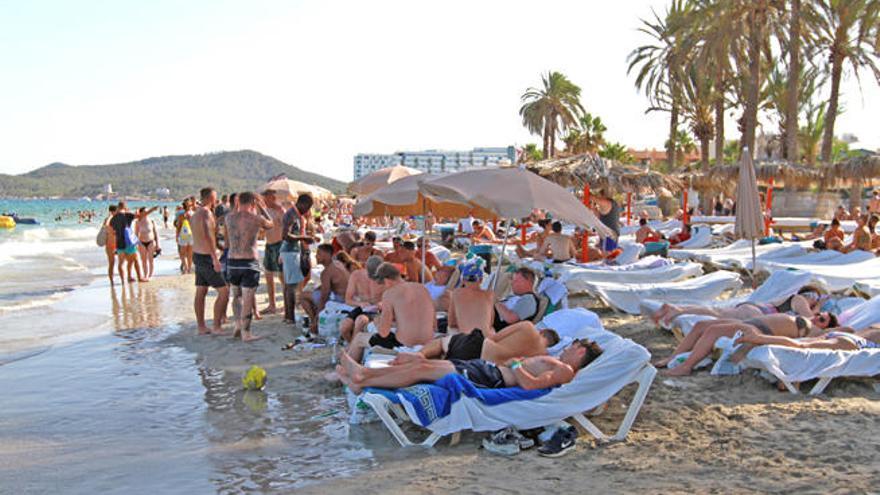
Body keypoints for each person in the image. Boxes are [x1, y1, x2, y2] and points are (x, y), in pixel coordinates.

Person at [336, 338, 603, 394]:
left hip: (491, 378)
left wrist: (517, 364)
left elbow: (531, 384)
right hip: (486, 370)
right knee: (423, 364)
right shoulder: (558, 364)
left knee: (421, 370)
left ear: (580, 351)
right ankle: (365, 376)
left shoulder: (566, 371)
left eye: (572, 346)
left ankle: (363, 376)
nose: (566, 348)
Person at [656, 312, 839, 376]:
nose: (817, 317)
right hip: (753, 323)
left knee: (712, 331)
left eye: (822, 319)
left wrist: (826, 328)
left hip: (759, 331)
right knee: (701, 325)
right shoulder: (808, 315)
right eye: (819, 314)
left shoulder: (816, 331)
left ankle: (686, 366)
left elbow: (846, 330)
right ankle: (672, 357)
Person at [347, 263, 435, 362]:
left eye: (382, 285)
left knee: (359, 338)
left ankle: (347, 370)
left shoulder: (390, 293)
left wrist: (378, 322)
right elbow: (434, 324)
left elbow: (383, 333)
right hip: (428, 344)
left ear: (387, 281)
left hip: (405, 347)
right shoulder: (422, 288)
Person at [224, 192, 274, 342]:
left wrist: (239, 204)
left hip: (232, 260)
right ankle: (246, 333)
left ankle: (237, 325)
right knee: (247, 298)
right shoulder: (256, 218)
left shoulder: (229, 218)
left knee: (236, 295)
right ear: (253, 202)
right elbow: (271, 224)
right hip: (250, 261)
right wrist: (262, 208)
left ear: (239, 201)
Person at [402, 320, 559, 365]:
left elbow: (494, 338)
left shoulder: (528, 328)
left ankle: (419, 354)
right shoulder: (542, 356)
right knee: (448, 356)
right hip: (481, 367)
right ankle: (425, 361)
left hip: (480, 348)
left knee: (443, 341)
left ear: (542, 332)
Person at [652, 286, 825, 326]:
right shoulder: (800, 299)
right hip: (758, 312)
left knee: (717, 312)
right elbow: (809, 319)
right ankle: (678, 310)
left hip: (756, 308)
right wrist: (818, 308)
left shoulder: (791, 298)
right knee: (718, 315)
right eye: (814, 299)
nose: (814, 301)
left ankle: (678, 309)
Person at [191, 187, 229, 336]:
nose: (216, 200)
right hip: (207, 257)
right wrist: (215, 258)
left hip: (198, 255)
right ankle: (216, 326)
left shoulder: (196, 213)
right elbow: (207, 235)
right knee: (224, 291)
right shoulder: (206, 213)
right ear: (209, 198)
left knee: (201, 290)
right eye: (215, 197)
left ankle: (201, 326)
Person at [280, 193, 316, 325]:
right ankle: (290, 317)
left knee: (289, 285)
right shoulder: (291, 214)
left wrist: (305, 236)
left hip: (292, 251)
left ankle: (288, 315)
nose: (309, 210)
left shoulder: (296, 215)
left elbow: (293, 233)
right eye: (309, 207)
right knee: (291, 286)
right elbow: (285, 235)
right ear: (303, 204)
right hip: (290, 251)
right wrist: (304, 238)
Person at [300, 243, 350, 336]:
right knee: (312, 291)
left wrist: (316, 320)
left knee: (303, 296)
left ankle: (314, 323)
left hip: (339, 300)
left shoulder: (326, 272)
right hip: (345, 296)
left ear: (326, 255)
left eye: (318, 253)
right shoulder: (337, 263)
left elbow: (324, 298)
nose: (316, 256)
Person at [339, 255, 385, 342]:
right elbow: (348, 299)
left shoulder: (386, 278)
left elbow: (394, 298)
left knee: (361, 321)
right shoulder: (356, 275)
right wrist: (360, 303)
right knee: (344, 327)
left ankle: (352, 349)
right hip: (363, 307)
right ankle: (352, 346)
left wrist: (382, 303)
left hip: (378, 309)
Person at [734, 326, 880, 352]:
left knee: (800, 342)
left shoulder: (874, 326)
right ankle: (758, 338)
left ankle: (761, 339)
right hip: (853, 344)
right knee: (801, 347)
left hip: (847, 336)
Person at [111, 201, 156, 283]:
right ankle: (139, 278)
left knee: (121, 263)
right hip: (128, 242)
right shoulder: (127, 215)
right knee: (135, 259)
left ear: (118, 207)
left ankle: (123, 281)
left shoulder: (113, 218)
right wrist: (151, 210)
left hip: (119, 243)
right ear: (125, 207)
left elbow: (113, 232)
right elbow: (140, 216)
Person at [446, 261, 494, 335]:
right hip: (485, 339)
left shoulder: (456, 293)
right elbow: (490, 323)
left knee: (450, 330)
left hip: (467, 340)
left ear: (463, 280)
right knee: (491, 329)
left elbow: (451, 323)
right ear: (481, 280)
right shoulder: (489, 294)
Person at [261, 190, 287, 315]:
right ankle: (272, 304)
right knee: (268, 275)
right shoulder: (266, 211)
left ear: (273, 198)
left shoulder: (281, 211)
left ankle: (287, 303)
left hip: (279, 244)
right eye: (264, 199)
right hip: (269, 244)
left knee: (282, 277)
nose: (265, 201)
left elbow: (286, 227)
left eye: (267, 199)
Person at [135, 207, 159, 280]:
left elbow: (156, 233)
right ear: (141, 212)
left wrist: (158, 244)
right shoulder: (138, 221)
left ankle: (150, 275)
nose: (147, 213)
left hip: (151, 241)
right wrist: (136, 244)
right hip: (141, 242)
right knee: (144, 260)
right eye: (145, 211)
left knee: (150, 260)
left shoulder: (151, 220)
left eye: (147, 211)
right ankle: (145, 275)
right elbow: (136, 234)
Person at [175, 199, 194, 274]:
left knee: (190, 252)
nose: (189, 204)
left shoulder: (193, 213)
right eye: (187, 203)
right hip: (184, 234)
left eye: (189, 203)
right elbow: (178, 226)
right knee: (183, 252)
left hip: (191, 234)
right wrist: (177, 235)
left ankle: (188, 268)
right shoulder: (181, 214)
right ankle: (186, 267)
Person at [102, 205, 119, 285]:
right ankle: (111, 281)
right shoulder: (107, 220)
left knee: (117, 262)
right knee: (112, 263)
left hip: (116, 244)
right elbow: (105, 227)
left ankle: (122, 277)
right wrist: (109, 217)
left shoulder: (118, 219)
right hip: (110, 245)